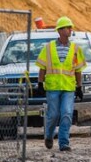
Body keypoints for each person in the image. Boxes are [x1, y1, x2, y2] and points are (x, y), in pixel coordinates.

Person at [35, 16, 86, 151]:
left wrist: (79, 87)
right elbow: (42, 68)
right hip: (53, 88)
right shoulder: (49, 48)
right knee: (53, 115)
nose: (70, 30)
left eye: (70, 28)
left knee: (67, 113)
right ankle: (49, 135)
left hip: (69, 88)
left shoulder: (75, 49)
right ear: (60, 30)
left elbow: (78, 70)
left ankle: (64, 143)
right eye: (68, 28)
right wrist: (40, 83)